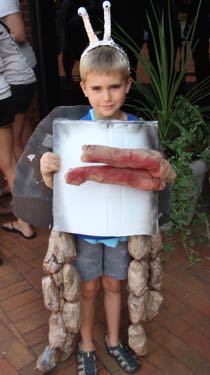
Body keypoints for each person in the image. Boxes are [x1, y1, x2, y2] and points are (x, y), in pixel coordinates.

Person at [40, 3, 174, 374]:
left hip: (120, 229)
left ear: (128, 85)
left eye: (115, 86)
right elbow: (56, 173)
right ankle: (86, 345)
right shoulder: (71, 131)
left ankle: (114, 340)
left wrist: (165, 169)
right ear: (84, 88)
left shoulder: (138, 131)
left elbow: (157, 175)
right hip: (84, 228)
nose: (107, 96)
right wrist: (46, 164)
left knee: (116, 285)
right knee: (86, 288)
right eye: (97, 88)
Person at [0, 20, 36, 239]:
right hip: (4, 92)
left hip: (5, 93)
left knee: (9, 159)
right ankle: (25, 219)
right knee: (9, 161)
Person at [0, 0, 37, 159]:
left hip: (17, 78)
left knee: (13, 144)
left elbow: (19, 33)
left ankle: (24, 181)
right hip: (20, 76)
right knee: (19, 135)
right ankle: (30, 175)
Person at [183, 0, 210, 83]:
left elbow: (193, 9)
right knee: (202, 54)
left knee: (200, 55)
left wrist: (188, 25)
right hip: (205, 24)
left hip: (200, 25)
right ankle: (204, 79)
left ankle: (202, 80)